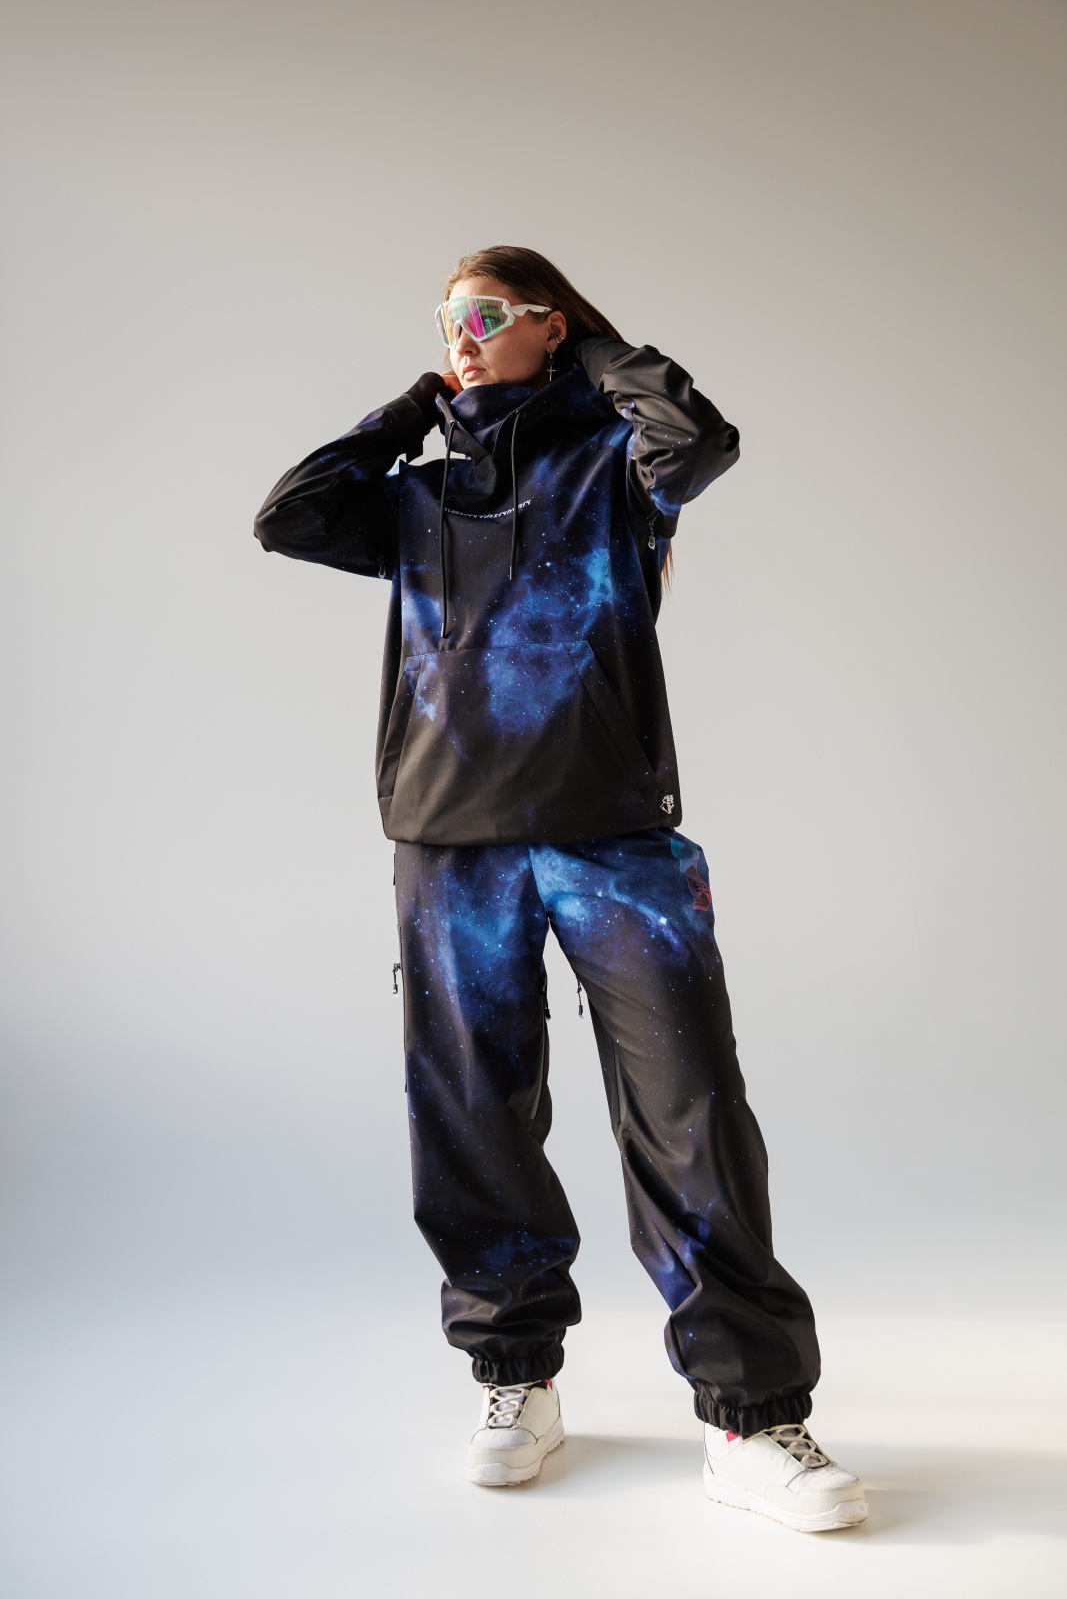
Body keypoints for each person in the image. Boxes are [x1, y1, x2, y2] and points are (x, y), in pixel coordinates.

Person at [254, 245, 868, 1532]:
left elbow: (696, 438)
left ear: (546, 322)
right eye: (445, 320)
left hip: (613, 839)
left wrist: (590, 355)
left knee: (689, 1112)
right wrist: (414, 406)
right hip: (448, 842)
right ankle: (514, 1377)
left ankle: (750, 1417)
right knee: (472, 1113)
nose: (460, 335)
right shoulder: (416, 499)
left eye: (485, 314)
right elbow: (291, 514)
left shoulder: (613, 473)